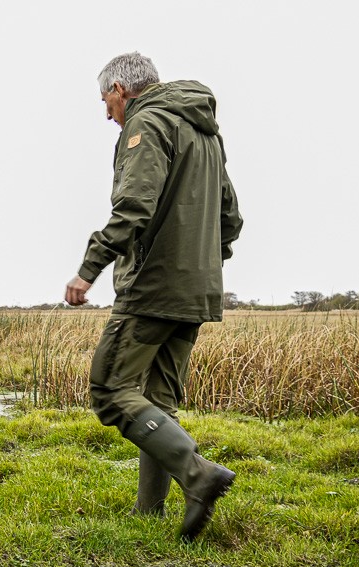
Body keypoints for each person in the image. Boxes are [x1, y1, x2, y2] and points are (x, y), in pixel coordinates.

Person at [63, 52, 243, 540]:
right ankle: (150, 515)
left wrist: (88, 269)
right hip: (196, 289)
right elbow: (231, 217)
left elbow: (135, 205)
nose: (106, 113)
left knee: (109, 389)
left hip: (153, 286)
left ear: (121, 89)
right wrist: (206, 261)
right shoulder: (204, 131)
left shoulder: (147, 125)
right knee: (159, 402)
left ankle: (198, 474)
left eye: (106, 101)